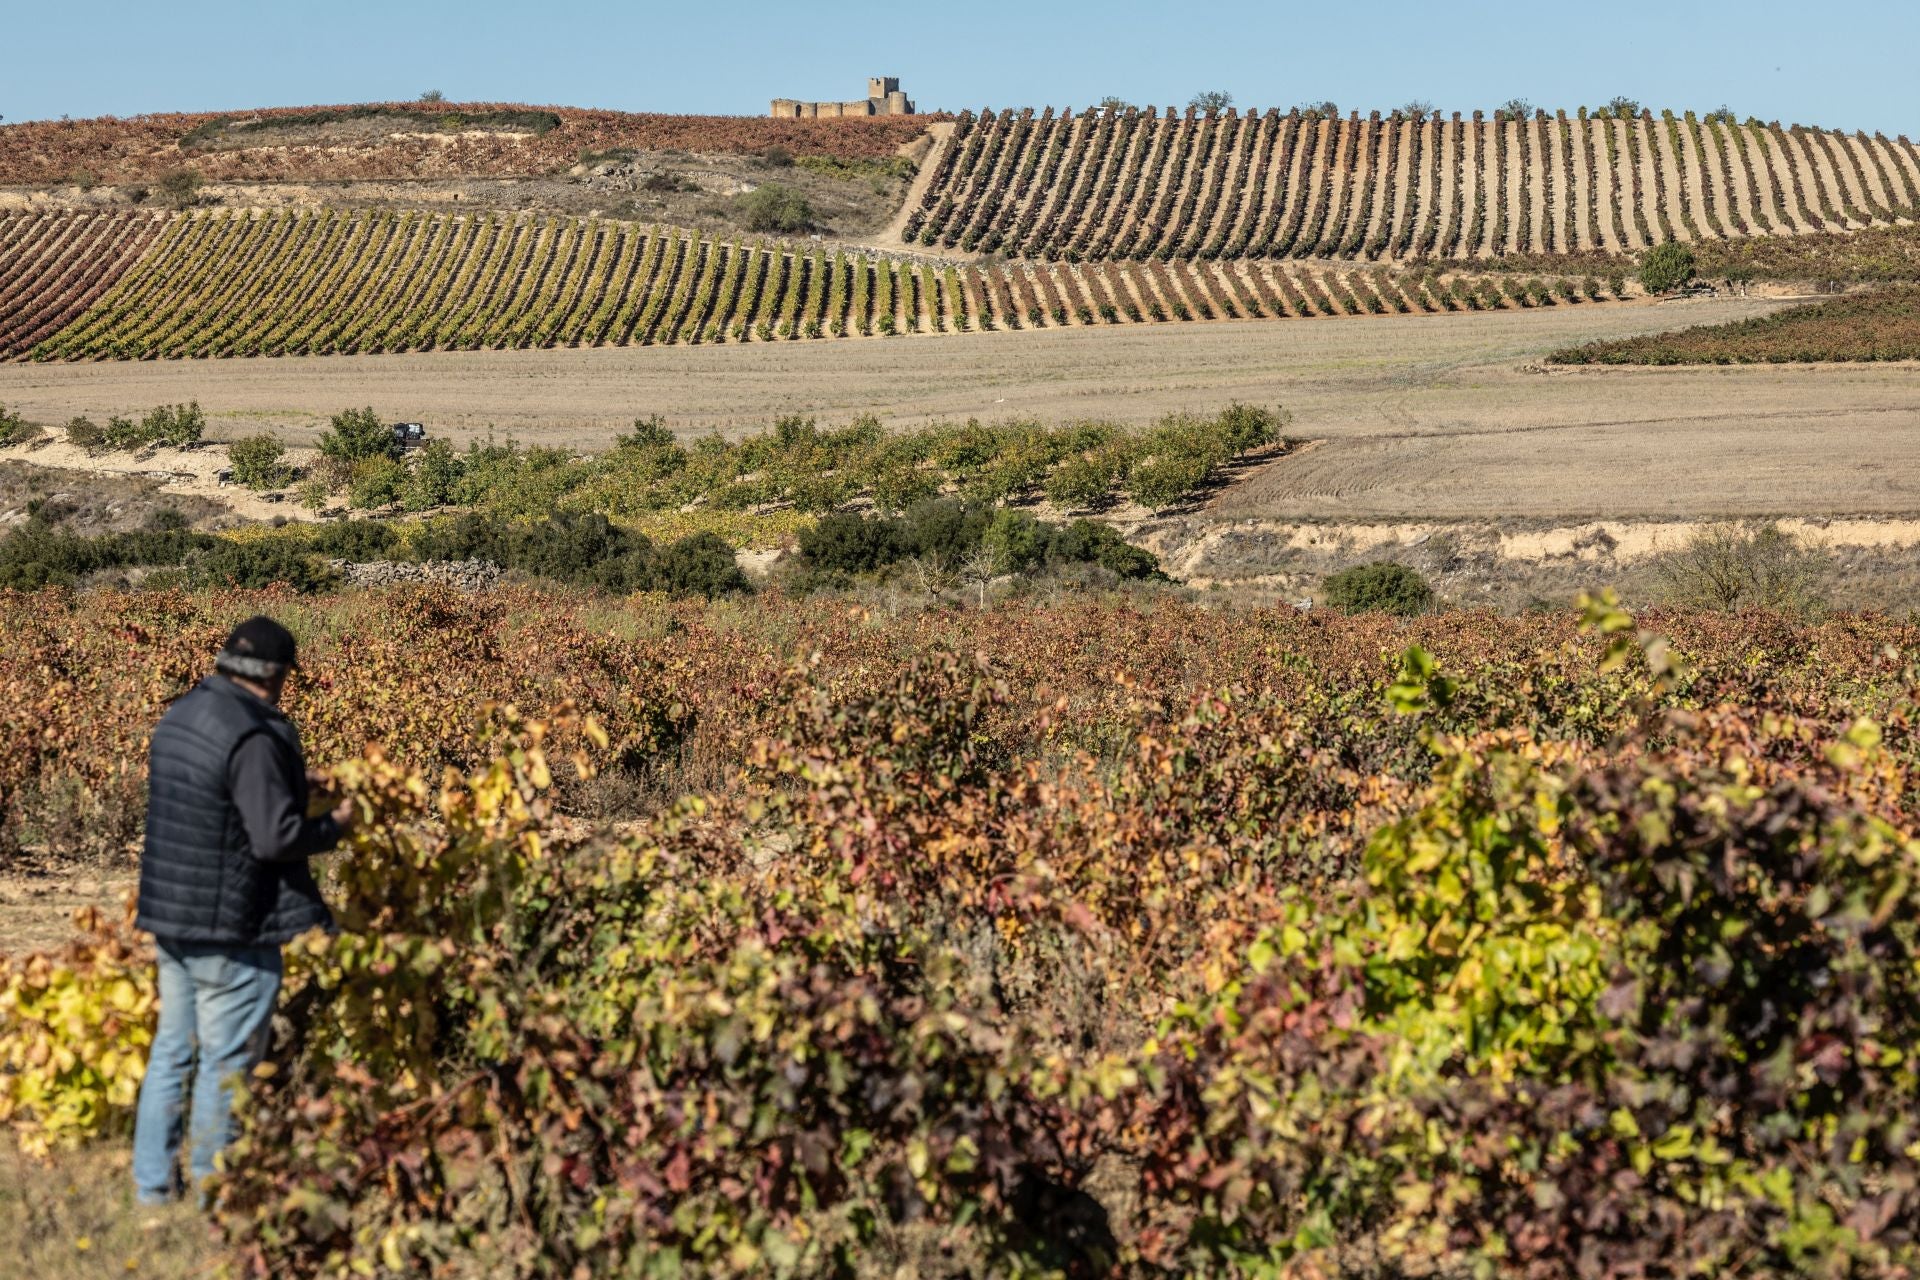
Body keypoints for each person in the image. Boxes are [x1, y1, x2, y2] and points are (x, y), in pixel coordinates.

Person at [131, 616, 354, 1206]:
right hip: (231, 923)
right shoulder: (255, 733)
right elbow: (276, 838)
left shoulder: (183, 714)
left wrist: (291, 780)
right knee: (226, 1066)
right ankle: (217, 1194)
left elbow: (217, 792)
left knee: (172, 1054)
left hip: (171, 914)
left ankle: (153, 1191)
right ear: (276, 675)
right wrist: (337, 825)